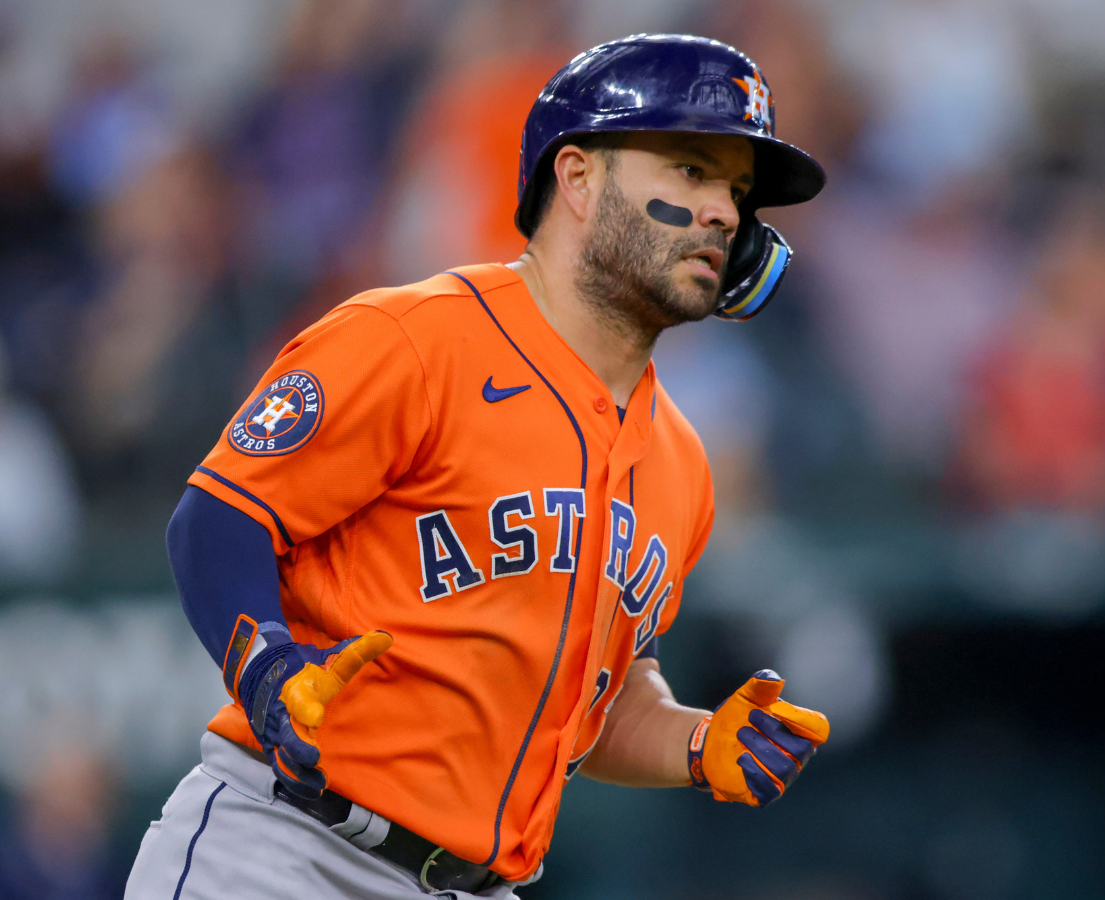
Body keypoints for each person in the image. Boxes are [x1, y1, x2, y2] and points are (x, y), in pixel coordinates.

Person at [125, 34, 831, 900]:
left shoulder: (686, 465)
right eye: (690, 169)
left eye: (736, 188)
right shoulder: (415, 341)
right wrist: (263, 662)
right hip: (287, 851)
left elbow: (594, 697)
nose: (724, 210)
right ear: (577, 179)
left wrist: (692, 741)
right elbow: (221, 515)